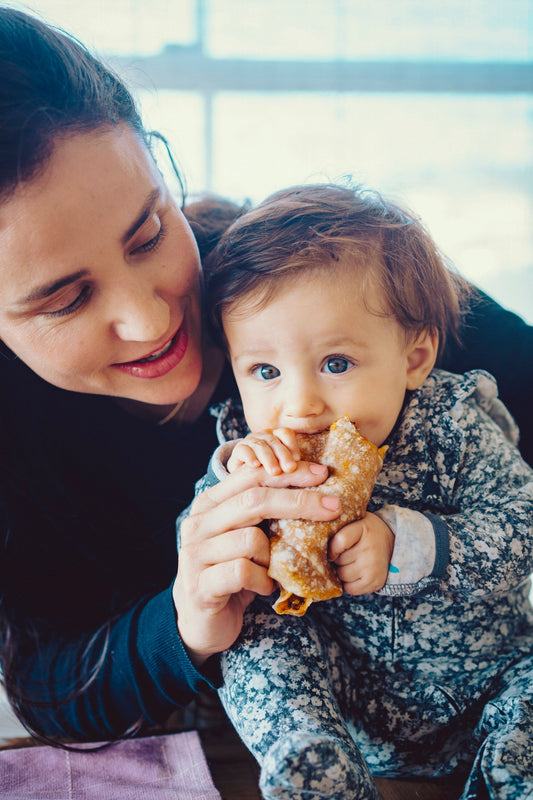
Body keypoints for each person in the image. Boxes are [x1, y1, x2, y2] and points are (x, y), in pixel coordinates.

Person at [0, 6, 530, 748]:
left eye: (150, 233)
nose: (152, 322)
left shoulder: (319, 284)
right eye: (65, 299)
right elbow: (49, 688)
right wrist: (183, 623)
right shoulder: (19, 434)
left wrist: (432, 545)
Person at [196, 183, 533, 800]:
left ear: (415, 356)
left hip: (486, 682)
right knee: (257, 641)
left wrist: (411, 546)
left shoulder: (453, 429)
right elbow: (204, 552)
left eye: (335, 364)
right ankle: (310, 764)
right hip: (343, 699)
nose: (298, 407)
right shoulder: (249, 453)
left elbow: (524, 527)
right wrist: (231, 494)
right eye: (266, 372)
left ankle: (511, 773)